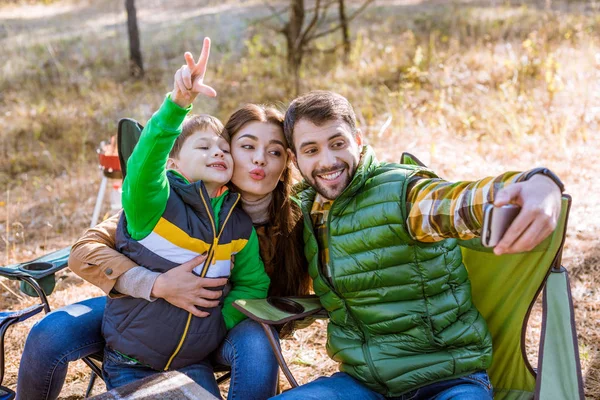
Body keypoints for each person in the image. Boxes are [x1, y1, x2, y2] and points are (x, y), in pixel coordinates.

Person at [15, 39, 309, 400]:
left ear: (286, 165)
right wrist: (156, 284)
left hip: (203, 342)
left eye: (274, 151)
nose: (260, 160)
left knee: (257, 338)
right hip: (136, 321)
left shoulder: (273, 224)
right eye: (246, 146)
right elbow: (89, 246)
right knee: (51, 333)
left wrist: (215, 322)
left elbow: (256, 287)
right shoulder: (165, 201)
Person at [267, 90, 564, 400]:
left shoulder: (402, 193)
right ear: (295, 159)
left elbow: (460, 203)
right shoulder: (302, 210)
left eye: (337, 143)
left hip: (449, 380)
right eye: (311, 150)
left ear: (357, 140)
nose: (327, 160)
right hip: (363, 384)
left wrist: (539, 183)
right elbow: (235, 189)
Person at [100, 38, 271, 392]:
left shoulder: (237, 224)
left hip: (193, 362)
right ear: (174, 163)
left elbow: (254, 284)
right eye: (204, 146)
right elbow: (144, 166)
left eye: (225, 148)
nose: (219, 152)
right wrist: (178, 105)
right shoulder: (155, 204)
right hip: (131, 361)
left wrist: (217, 324)